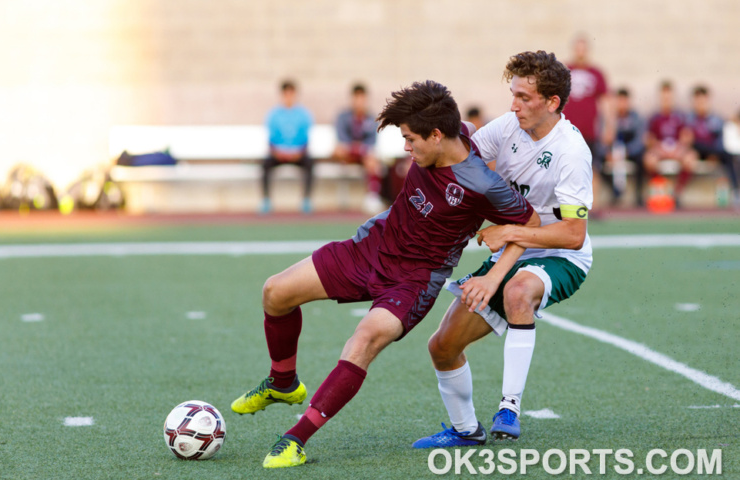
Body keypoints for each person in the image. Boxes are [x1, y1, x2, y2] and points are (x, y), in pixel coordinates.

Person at [230, 80, 539, 468]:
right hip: (370, 248)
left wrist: (496, 275)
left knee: (364, 339)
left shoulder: (482, 184)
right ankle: (283, 383)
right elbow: (469, 130)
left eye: (411, 139)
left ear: (437, 135)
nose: (406, 148)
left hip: (414, 281)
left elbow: (531, 223)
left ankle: (295, 439)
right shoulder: (454, 136)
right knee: (275, 291)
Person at [413, 50, 593, 447]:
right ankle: (466, 431)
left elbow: (572, 235)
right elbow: (464, 159)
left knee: (515, 292)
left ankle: (509, 407)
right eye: (513, 95)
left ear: (552, 103)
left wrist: (508, 232)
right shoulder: (508, 126)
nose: (514, 106)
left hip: (560, 257)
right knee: (442, 347)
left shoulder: (571, 153)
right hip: (512, 249)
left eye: (524, 98)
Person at [561, 34, 613, 203]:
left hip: (589, 130)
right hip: (566, 130)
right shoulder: (563, 71)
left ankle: (593, 205)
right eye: (578, 48)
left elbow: (605, 102)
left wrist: (608, 127)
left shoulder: (596, 73)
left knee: (592, 168)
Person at [262, 80, 315, 214]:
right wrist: (278, 152)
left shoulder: (303, 114)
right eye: (286, 93)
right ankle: (266, 200)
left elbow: (306, 139)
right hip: (279, 155)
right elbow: (271, 140)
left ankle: (306, 200)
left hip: (298, 154)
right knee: (265, 164)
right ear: (282, 95)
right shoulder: (274, 115)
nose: (288, 97)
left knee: (310, 163)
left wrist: (299, 152)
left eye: (291, 93)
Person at [332, 84, 384, 214]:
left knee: (373, 160)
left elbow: (372, 142)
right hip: (347, 154)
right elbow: (341, 139)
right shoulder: (343, 116)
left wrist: (359, 148)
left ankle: (372, 197)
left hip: (363, 155)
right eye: (357, 98)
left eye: (362, 98)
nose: (359, 102)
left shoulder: (371, 118)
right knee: (338, 150)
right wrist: (353, 147)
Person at [685, 85, 738, 202]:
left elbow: (722, 139)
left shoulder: (717, 119)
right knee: (689, 154)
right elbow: (686, 139)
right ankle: (677, 195)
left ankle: (735, 191)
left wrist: (714, 154)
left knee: (730, 156)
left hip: (713, 151)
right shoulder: (688, 119)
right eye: (698, 101)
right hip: (696, 150)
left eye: (703, 100)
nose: (700, 104)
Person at [604, 88, 647, 207]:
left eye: (624, 101)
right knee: (599, 161)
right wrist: (608, 152)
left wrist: (628, 151)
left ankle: (639, 195)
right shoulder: (610, 119)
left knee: (642, 159)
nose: (622, 104)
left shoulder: (636, 118)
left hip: (630, 151)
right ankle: (615, 192)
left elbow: (640, 141)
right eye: (619, 101)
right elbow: (602, 140)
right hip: (614, 151)